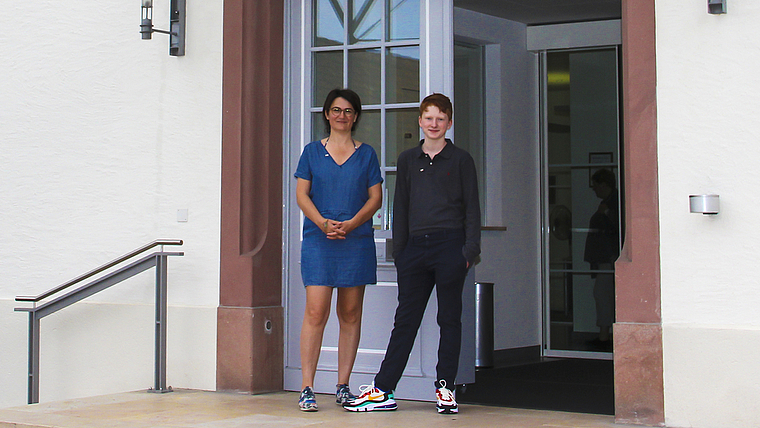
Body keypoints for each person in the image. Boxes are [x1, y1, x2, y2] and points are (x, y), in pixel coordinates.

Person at [343, 93, 481, 414]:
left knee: (449, 319)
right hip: (415, 251)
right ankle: (384, 389)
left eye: (440, 119)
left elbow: (472, 208)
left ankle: (445, 387)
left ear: (449, 123)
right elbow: (400, 207)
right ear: (419, 121)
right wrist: (400, 251)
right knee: (405, 320)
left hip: (451, 247)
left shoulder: (461, 160)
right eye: (428, 118)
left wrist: (469, 251)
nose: (434, 124)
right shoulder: (407, 160)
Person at [294, 88, 383, 411]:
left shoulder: (367, 154)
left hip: (355, 241)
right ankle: (307, 386)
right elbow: (302, 194)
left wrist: (353, 223)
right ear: (327, 115)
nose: (341, 116)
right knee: (316, 311)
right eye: (335, 110)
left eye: (347, 111)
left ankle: (343, 385)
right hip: (320, 241)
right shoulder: (311, 152)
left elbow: (376, 198)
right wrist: (321, 223)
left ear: (356, 116)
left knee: (350, 313)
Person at [584, 168, 619, 348]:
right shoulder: (611, 203)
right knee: (603, 295)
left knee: (603, 294)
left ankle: (605, 335)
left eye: (596, 186)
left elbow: (618, 227)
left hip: (608, 258)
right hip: (605, 258)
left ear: (604, 185)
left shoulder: (613, 205)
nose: (594, 189)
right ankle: (604, 334)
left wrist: (605, 213)